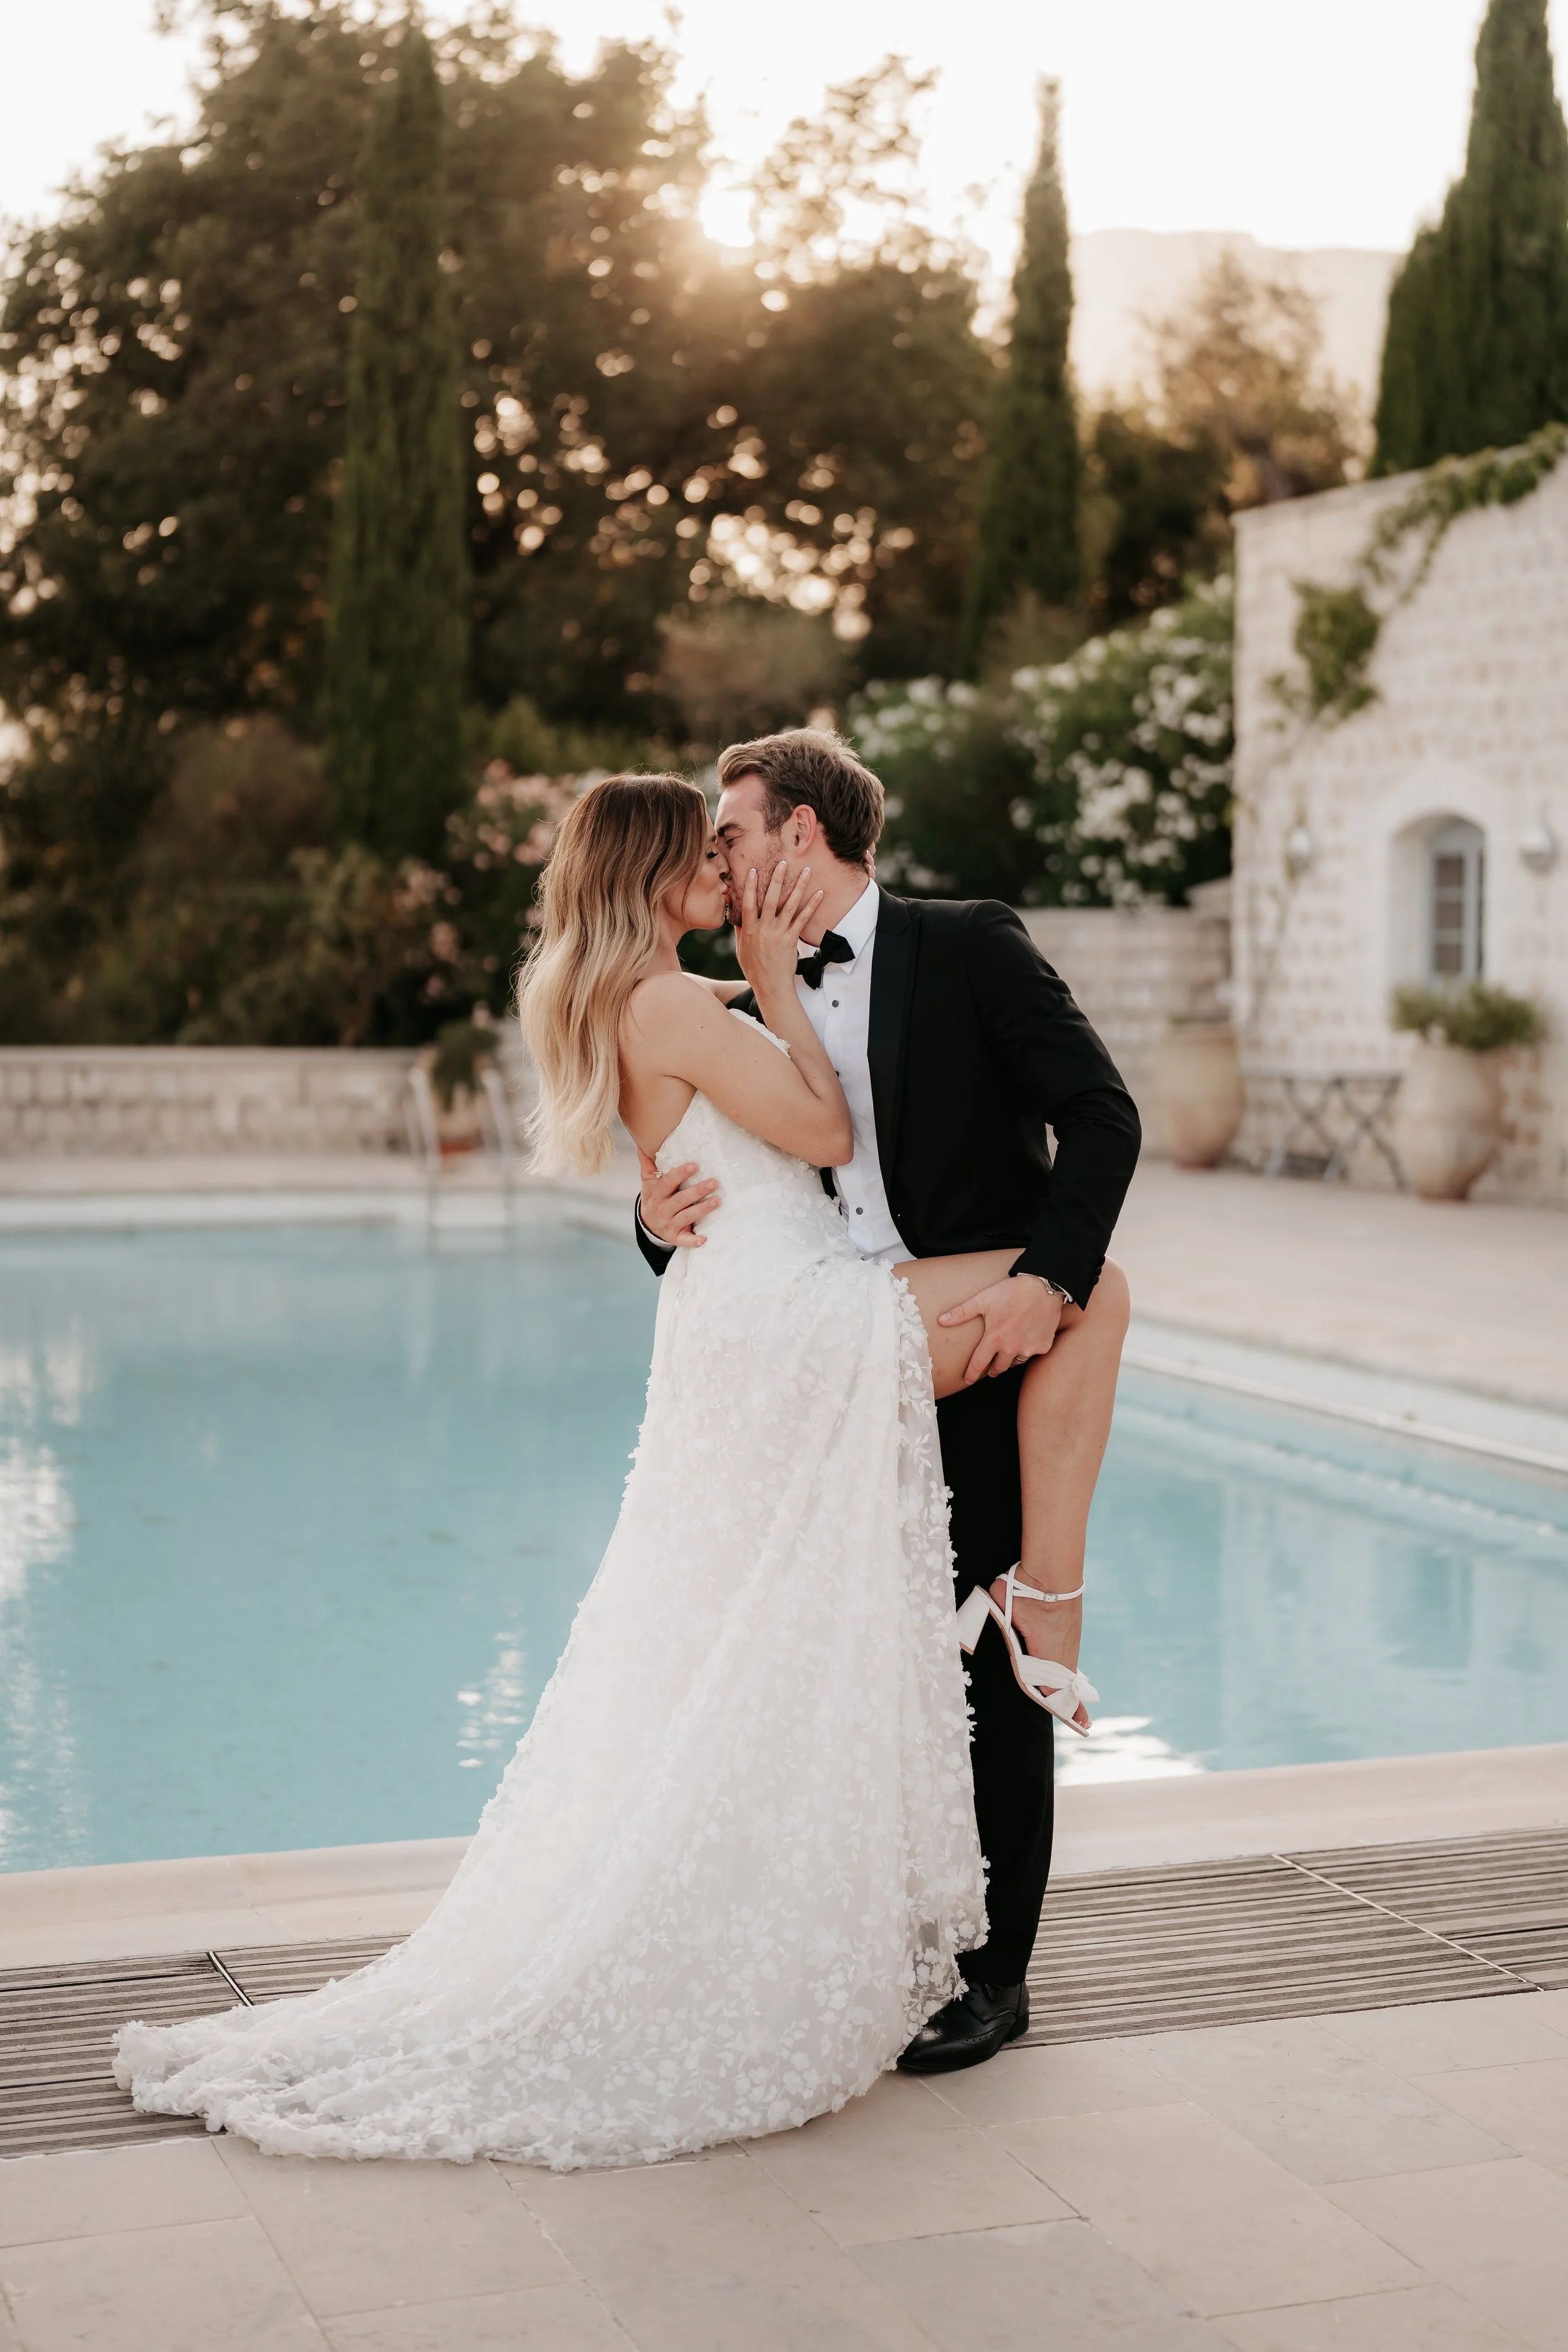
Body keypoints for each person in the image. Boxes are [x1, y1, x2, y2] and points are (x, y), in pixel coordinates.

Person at [636, 729, 1139, 2074]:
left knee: (985, 1673)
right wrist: (650, 1215)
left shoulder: (967, 945)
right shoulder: (735, 998)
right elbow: (715, 1181)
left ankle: (994, 1977)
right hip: (819, 1365)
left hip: (963, 1348)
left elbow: (1103, 1116)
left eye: (732, 834)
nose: (718, 859)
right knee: (848, 1670)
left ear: (799, 833)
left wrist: (1045, 1281)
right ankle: (882, 1939)